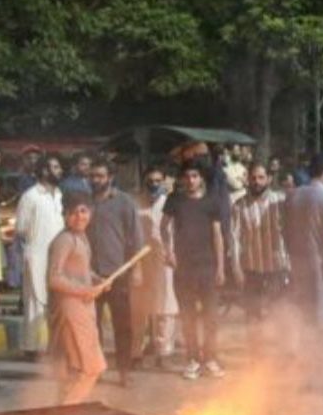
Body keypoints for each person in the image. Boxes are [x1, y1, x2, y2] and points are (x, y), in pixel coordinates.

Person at [162, 160, 226, 381]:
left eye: (195, 176)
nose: (191, 180)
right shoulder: (174, 201)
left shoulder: (212, 202)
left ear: (202, 179)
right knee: (187, 315)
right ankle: (192, 359)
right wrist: (168, 251)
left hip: (207, 266)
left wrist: (221, 267)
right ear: (182, 179)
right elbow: (163, 226)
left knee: (210, 316)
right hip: (183, 267)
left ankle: (210, 358)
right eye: (187, 176)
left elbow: (217, 235)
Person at [48, 193, 109, 404]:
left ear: (90, 213)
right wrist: (85, 291)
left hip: (82, 308)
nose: (78, 216)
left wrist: (96, 279)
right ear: (65, 215)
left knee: (75, 370)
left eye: (83, 211)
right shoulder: (64, 240)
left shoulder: (80, 237)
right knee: (89, 369)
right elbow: (54, 279)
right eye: (72, 212)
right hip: (71, 309)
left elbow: (80, 269)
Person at [88, 158, 144, 388]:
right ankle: (96, 368)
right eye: (92, 176)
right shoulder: (85, 202)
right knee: (93, 326)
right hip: (90, 275)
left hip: (118, 273)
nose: (95, 180)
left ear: (110, 177)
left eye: (100, 176)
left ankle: (124, 371)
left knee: (123, 326)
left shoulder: (124, 202)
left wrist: (137, 269)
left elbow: (136, 237)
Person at [284, 153, 323, 335]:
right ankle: (319, 353)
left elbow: (285, 230)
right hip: (321, 264)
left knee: (301, 306)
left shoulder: (293, 196)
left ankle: (302, 348)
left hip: (297, 260)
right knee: (321, 309)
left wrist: (290, 253)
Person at [131, 165, 178, 368]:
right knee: (139, 308)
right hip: (141, 260)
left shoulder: (169, 203)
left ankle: (163, 352)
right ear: (144, 182)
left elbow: (176, 233)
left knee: (165, 308)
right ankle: (136, 353)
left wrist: (172, 254)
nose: (154, 184)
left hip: (165, 259)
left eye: (158, 181)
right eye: (150, 180)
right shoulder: (135, 204)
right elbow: (131, 236)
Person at [17, 155, 64, 356]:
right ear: (44, 171)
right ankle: (31, 348)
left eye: (59, 167)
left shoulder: (60, 195)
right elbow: (21, 228)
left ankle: (52, 347)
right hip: (36, 255)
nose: (59, 170)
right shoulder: (30, 196)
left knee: (55, 302)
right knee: (34, 302)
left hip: (58, 257)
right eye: (55, 167)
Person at [232, 163, 290, 321]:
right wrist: (236, 267)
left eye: (261, 177)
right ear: (248, 179)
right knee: (252, 316)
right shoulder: (239, 205)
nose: (256, 181)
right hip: (251, 269)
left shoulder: (280, 202)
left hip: (276, 268)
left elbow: (290, 233)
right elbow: (234, 238)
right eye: (253, 178)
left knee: (277, 314)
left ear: (269, 179)